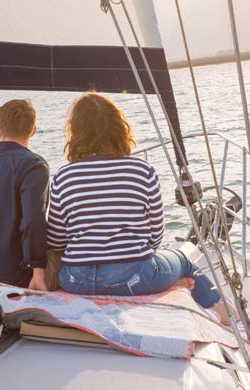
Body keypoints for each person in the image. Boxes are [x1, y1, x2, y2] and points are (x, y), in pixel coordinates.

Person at [47, 92, 231, 324]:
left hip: (76, 281)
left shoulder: (64, 176)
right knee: (183, 261)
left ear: (76, 133)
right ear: (119, 128)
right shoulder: (142, 170)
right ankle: (225, 314)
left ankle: (163, 284)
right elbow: (155, 237)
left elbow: (56, 240)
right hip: (134, 278)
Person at [0, 99, 50, 290]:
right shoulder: (34, 166)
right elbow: (33, 219)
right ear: (33, 130)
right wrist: (38, 270)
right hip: (19, 276)